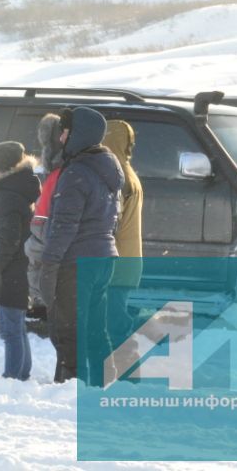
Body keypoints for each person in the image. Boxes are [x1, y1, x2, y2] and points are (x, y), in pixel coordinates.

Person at [39, 106, 122, 385]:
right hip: (103, 258)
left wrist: (48, 264)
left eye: (64, 132)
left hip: (76, 262)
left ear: (77, 134)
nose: (61, 139)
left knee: (68, 331)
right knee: (96, 328)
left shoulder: (77, 172)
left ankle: (70, 385)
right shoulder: (107, 167)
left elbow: (64, 225)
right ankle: (103, 381)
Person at [0, 141, 40, 381]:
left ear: (1, 167)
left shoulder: (7, 195)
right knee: (17, 325)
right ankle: (21, 373)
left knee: (9, 329)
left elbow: (7, 240)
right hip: (20, 267)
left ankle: (13, 376)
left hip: (10, 270)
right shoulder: (18, 189)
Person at [101, 119, 143, 338]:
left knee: (114, 326)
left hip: (116, 266)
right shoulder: (128, 173)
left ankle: (126, 369)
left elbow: (110, 223)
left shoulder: (117, 178)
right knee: (116, 321)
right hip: (128, 263)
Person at [25, 113, 65, 311]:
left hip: (45, 226)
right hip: (46, 225)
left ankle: (42, 304)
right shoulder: (60, 170)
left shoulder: (59, 171)